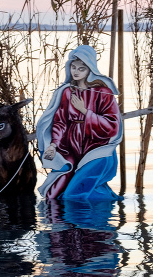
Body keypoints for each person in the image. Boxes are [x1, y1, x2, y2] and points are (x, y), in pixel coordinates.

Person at [36, 45, 122, 200]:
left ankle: (95, 219)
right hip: (71, 149)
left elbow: (112, 126)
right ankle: (101, 210)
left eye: (81, 69)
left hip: (96, 151)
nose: (76, 72)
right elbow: (60, 121)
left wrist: (84, 112)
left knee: (73, 195)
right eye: (73, 67)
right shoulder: (67, 92)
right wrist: (53, 144)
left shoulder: (103, 93)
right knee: (54, 194)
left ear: (90, 69)